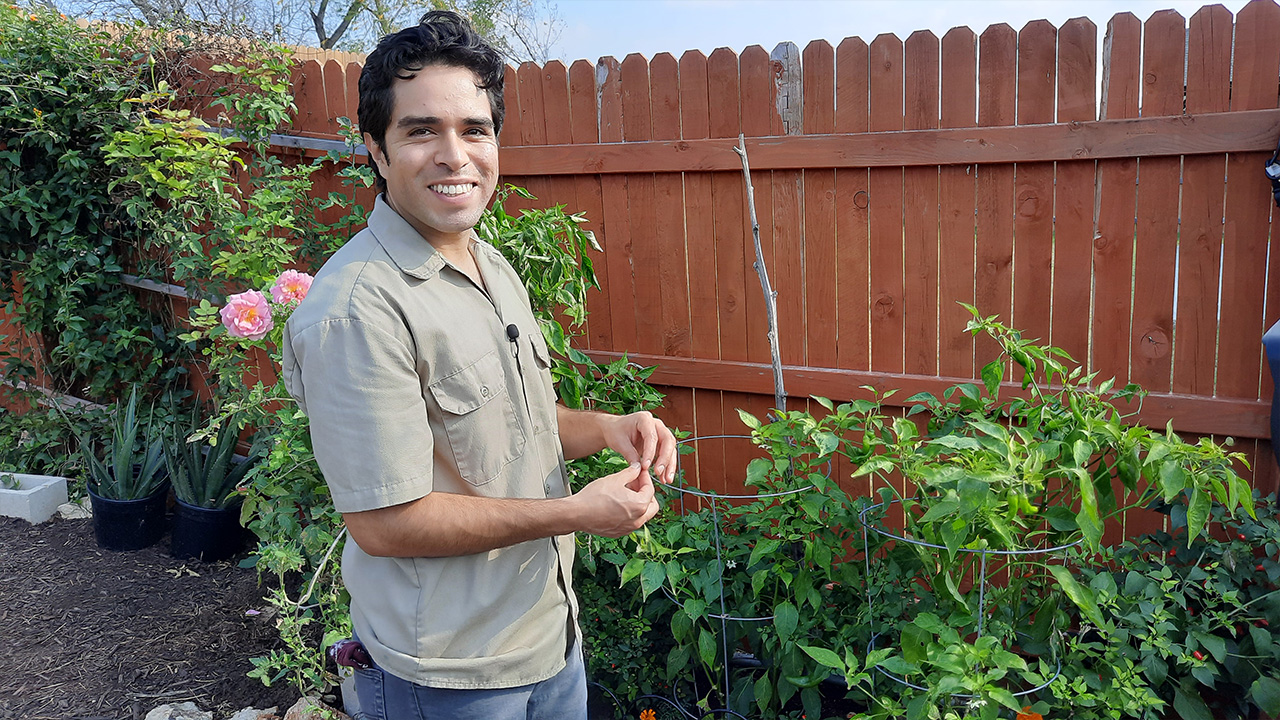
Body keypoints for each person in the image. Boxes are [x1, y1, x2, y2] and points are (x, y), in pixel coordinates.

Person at [281, 10, 678, 720]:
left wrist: (609, 426)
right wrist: (576, 513)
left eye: (474, 129)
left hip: (547, 633)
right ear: (376, 149)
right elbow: (385, 522)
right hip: (450, 673)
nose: (454, 154)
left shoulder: (489, 263)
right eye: (421, 130)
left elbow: (515, 421)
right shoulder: (357, 311)